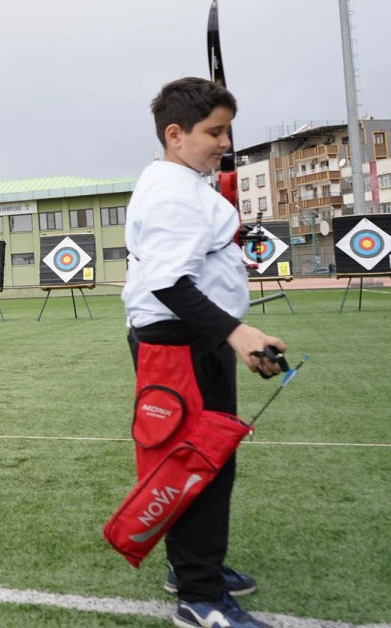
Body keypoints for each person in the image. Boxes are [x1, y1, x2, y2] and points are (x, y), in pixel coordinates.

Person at [121, 78, 286, 628]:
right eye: (214, 131)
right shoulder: (172, 191)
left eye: (226, 130)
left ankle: (193, 566)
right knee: (199, 465)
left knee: (206, 460)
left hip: (193, 342)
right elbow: (170, 283)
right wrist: (235, 335)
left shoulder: (180, 182)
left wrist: (232, 334)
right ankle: (199, 596)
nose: (223, 142)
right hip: (179, 347)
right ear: (176, 134)